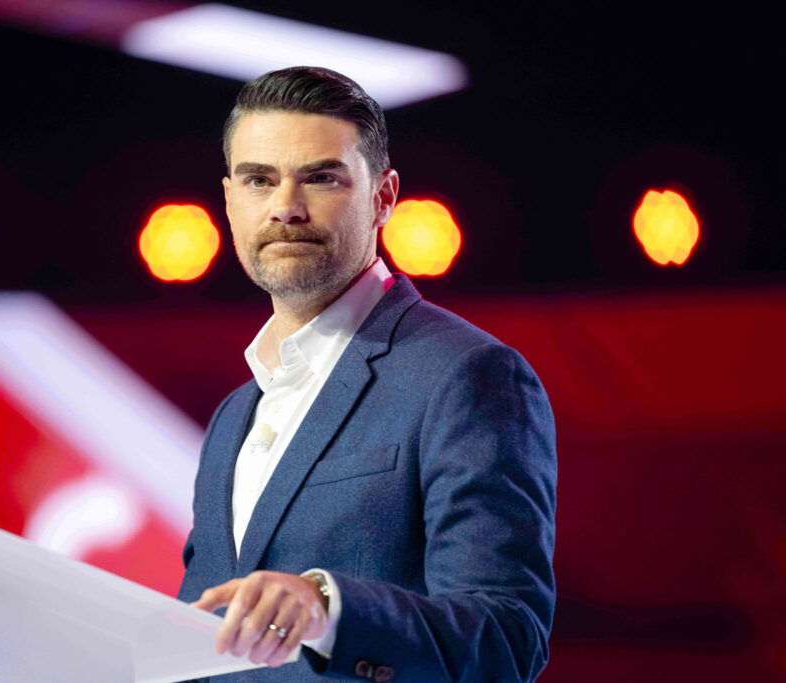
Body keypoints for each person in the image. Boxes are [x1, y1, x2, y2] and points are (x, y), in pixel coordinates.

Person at [178, 66, 557, 682]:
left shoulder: (468, 375)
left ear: (384, 197)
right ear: (229, 199)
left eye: (320, 178)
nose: (285, 208)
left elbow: (506, 639)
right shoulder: (232, 415)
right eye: (259, 180)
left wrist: (330, 608)